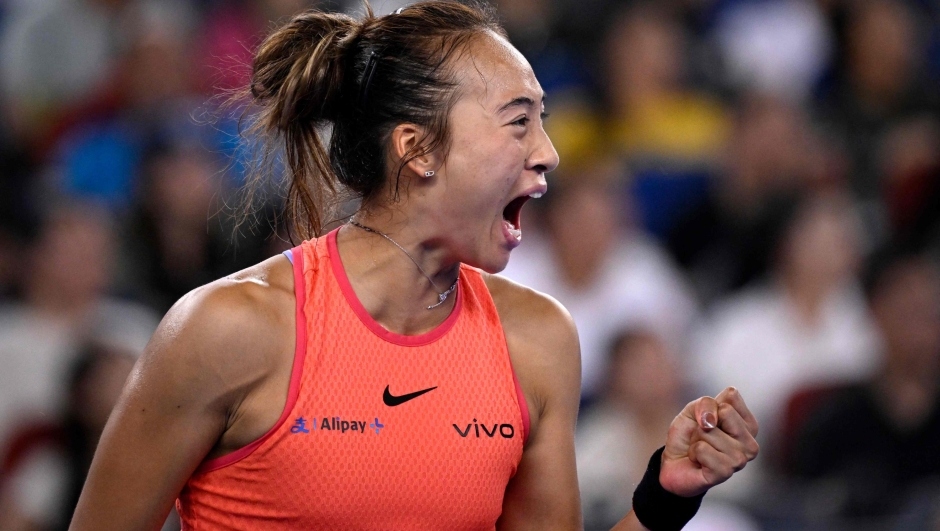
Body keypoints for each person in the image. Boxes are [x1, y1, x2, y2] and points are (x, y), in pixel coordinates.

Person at [69, 2, 759, 529]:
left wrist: (664, 497)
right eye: (519, 120)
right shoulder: (226, 329)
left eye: (543, 120)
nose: (548, 151)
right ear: (417, 149)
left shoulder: (539, 339)